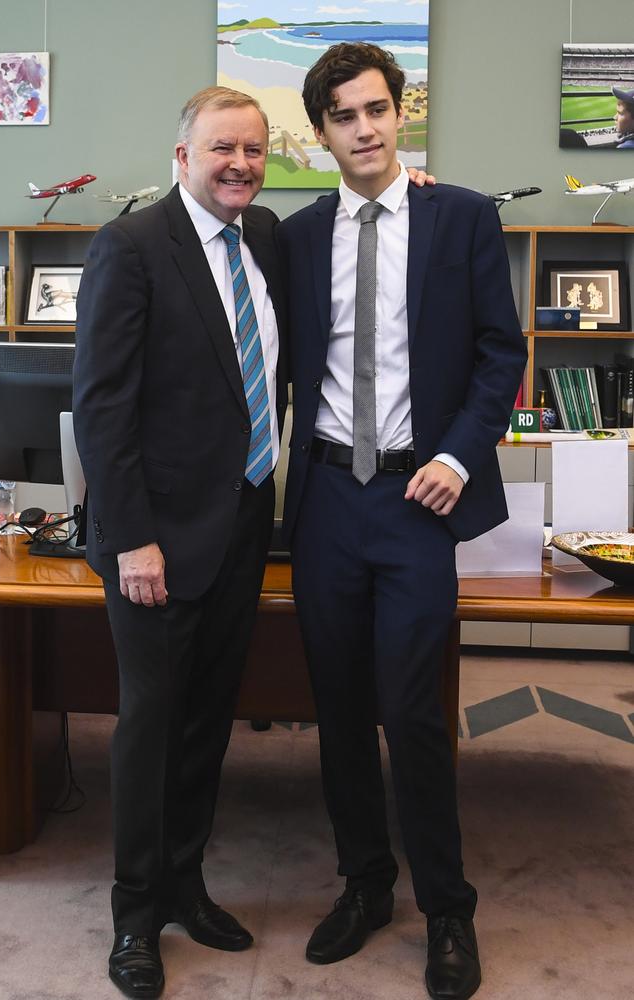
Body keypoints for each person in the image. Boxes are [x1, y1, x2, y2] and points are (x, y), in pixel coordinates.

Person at [277, 43, 527, 1000]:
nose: (367, 128)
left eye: (379, 109)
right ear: (322, 133)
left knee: (413, 712)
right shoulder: (294, 236)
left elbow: (501, 353)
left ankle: (448, 911)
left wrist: (458, 457)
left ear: (402, 114)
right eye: (345, 116)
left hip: (423, 498)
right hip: (331, 496)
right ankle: (365, 885)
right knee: (336, 711)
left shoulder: (462, 217)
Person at [73, 86, 288, 999]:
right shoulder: (131, 247)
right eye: (221, 149)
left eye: (253, 149)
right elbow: (103, 408)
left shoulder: (267, 235)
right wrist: (132, 541)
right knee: (150, 726)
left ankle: (185, 884)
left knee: (208, 721)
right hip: (154, 541)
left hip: (244, 522)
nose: (239, 163)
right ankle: (133, 919)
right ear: (182, 156)